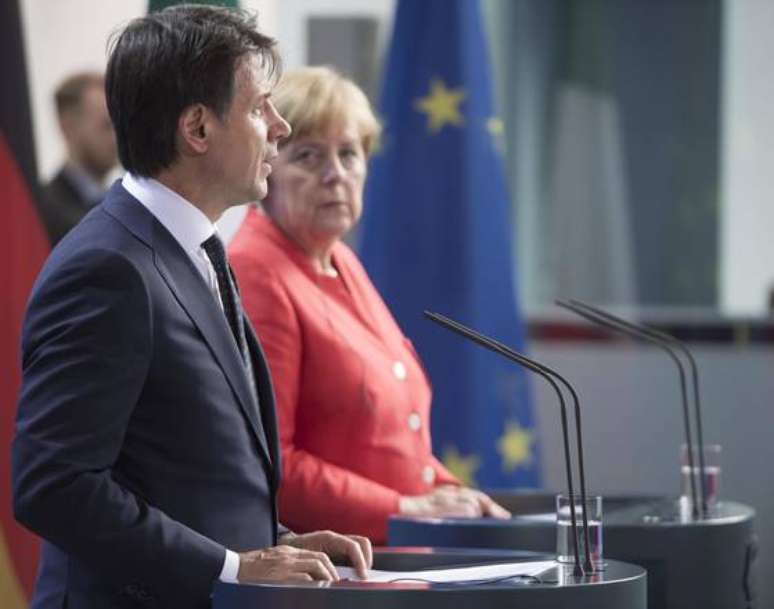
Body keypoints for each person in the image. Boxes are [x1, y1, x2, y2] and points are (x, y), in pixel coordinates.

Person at [12, 8, 371, 609]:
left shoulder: (195, 245)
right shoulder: (109, 269)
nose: (279, 127)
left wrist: (275, 544)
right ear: (198, 129)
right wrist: (232, 566)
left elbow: (174, 473)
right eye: (260, 108)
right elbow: (55, 485)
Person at [229, 66, 511, 544]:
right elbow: (271, 464)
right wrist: (404, 508)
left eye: (349, 154)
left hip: (390, 556)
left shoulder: (339, 258)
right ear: (266, 170)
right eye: (308, 156)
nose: (335, 174)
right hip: (326, 568)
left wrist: (452, 493)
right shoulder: (257, 271)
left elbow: (388, 437)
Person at [38, 72, 118, 245]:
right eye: (105, 126)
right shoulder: (41, 211)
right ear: (68, 127)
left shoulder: (119, 205)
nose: (115, 137)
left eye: (117, 125)